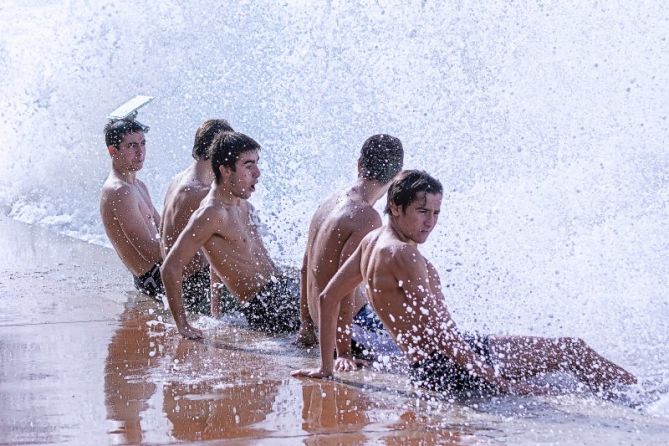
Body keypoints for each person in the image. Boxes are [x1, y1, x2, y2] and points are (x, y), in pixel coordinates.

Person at [292, 170, 637, 395]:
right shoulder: (403, 255)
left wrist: (329, 366)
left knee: (560, 373)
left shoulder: (371, 244)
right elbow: (438, 330)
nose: (430, 223)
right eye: (422, 211)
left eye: (436, 213)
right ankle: (643, 399)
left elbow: (327, 298)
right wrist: (495, 380)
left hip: (429, 367)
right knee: (571, 350)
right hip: (451, 364)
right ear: (395, 207)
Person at [161, 131, 299, 339]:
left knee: (333, 285)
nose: (258, 173)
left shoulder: (243, 204)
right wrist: (182, 324)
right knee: (338, 307)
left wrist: (216, 311)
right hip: (266, 307)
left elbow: (218, 261)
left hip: (280, 287)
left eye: (257, 164)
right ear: (225, 170)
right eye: (249, 165)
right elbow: (170, 267)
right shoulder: (211, 213)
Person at [296, 134, 403, 367]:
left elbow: (304, 267)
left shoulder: (330, 202)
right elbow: (343, 291)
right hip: (352, 330)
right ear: (395, 178)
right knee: (424, 346)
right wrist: (343, 352)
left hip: (322, 321)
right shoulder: (366, 217)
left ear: (359, 164)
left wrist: (306, 325)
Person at [160, 119, 234, 314]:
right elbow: (216, 261)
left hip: (178, 284)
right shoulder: (202, 192)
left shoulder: (179, 179)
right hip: (195, 291)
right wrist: (215, 313)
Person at [100, 118, 163, 296]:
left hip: (162, 272)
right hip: (154, 281)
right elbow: (150, 252)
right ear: (113, 151)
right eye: (131, 146)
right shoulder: (119, 191)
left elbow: (165, 229)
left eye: (143, 144)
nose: (140, 152)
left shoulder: (138, 185)